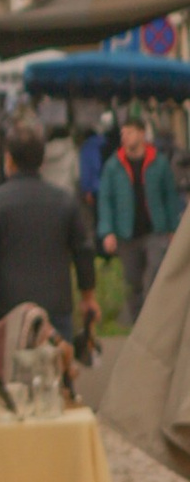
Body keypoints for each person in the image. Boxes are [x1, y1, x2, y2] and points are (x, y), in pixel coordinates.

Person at [0, 121, 95, 345]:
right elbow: (83, 251)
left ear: (9, 160)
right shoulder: (65, 202)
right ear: (42, 161)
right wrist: (88, 296)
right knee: (59, 369)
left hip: (11, 307)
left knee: (14, 373)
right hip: (57, 306)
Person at [98, 110, 184, 323]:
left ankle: (156, 322)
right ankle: (136, 324)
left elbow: (169, 196)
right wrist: (107, 231)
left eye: (130, 132)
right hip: (126, 232)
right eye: (123, 133)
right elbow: (106, 200)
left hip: (156, 229)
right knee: (132, 282)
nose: (125, 137)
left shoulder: (159, 162)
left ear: (142, 134)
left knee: (156, 275)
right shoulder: (113, 166)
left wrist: (174, 228)